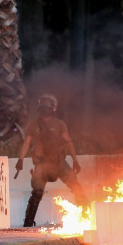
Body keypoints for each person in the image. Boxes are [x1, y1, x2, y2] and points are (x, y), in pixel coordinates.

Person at [16, 94, 89, 227]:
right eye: (42, 105)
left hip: (59, 162)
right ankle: (27, 223)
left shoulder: (59, 124)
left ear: (53, 108)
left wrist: (75, 160)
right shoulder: (34, 124)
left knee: (76, 187)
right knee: (37, 193)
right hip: (42, 163)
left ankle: (87, 216)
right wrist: (20, 160)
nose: (44, 108)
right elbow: (26, 143)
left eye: (47, 106)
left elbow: (68, 142)